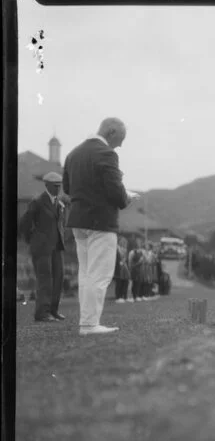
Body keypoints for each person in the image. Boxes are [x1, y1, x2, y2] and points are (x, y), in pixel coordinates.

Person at [63, 118, 140, 335]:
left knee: (86, 274)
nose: (121, 145)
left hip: (78, 222)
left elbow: (68, 188)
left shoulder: (73, 154)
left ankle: (86, 322)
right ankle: (89, 324)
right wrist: (128, 197)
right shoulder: (107, 154)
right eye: (121, 139)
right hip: (100, 222)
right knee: (99, 274)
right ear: (111, 131)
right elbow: (116, 194)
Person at [18, 171, 67, 322]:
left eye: (59, 186)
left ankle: (53, 310)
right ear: (46, 185)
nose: (57, 189)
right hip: (41, 247)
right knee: (45, 279)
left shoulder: (59, 203)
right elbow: (24, 223)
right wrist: (31, 239)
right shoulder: (38, 202)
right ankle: (42, 313)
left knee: (58, 278)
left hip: (56, 247)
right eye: (54, 186)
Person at [113, 236, 130, 303]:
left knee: (126, 282)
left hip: (125, 268)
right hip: (118, 269)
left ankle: (124, 296)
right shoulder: (116, 249)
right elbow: (115, 259)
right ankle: (118, 297)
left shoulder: (125, 250)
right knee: (119, 283)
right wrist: (119, 262)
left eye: (125, 242)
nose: (124, 243)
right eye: (123, 242)